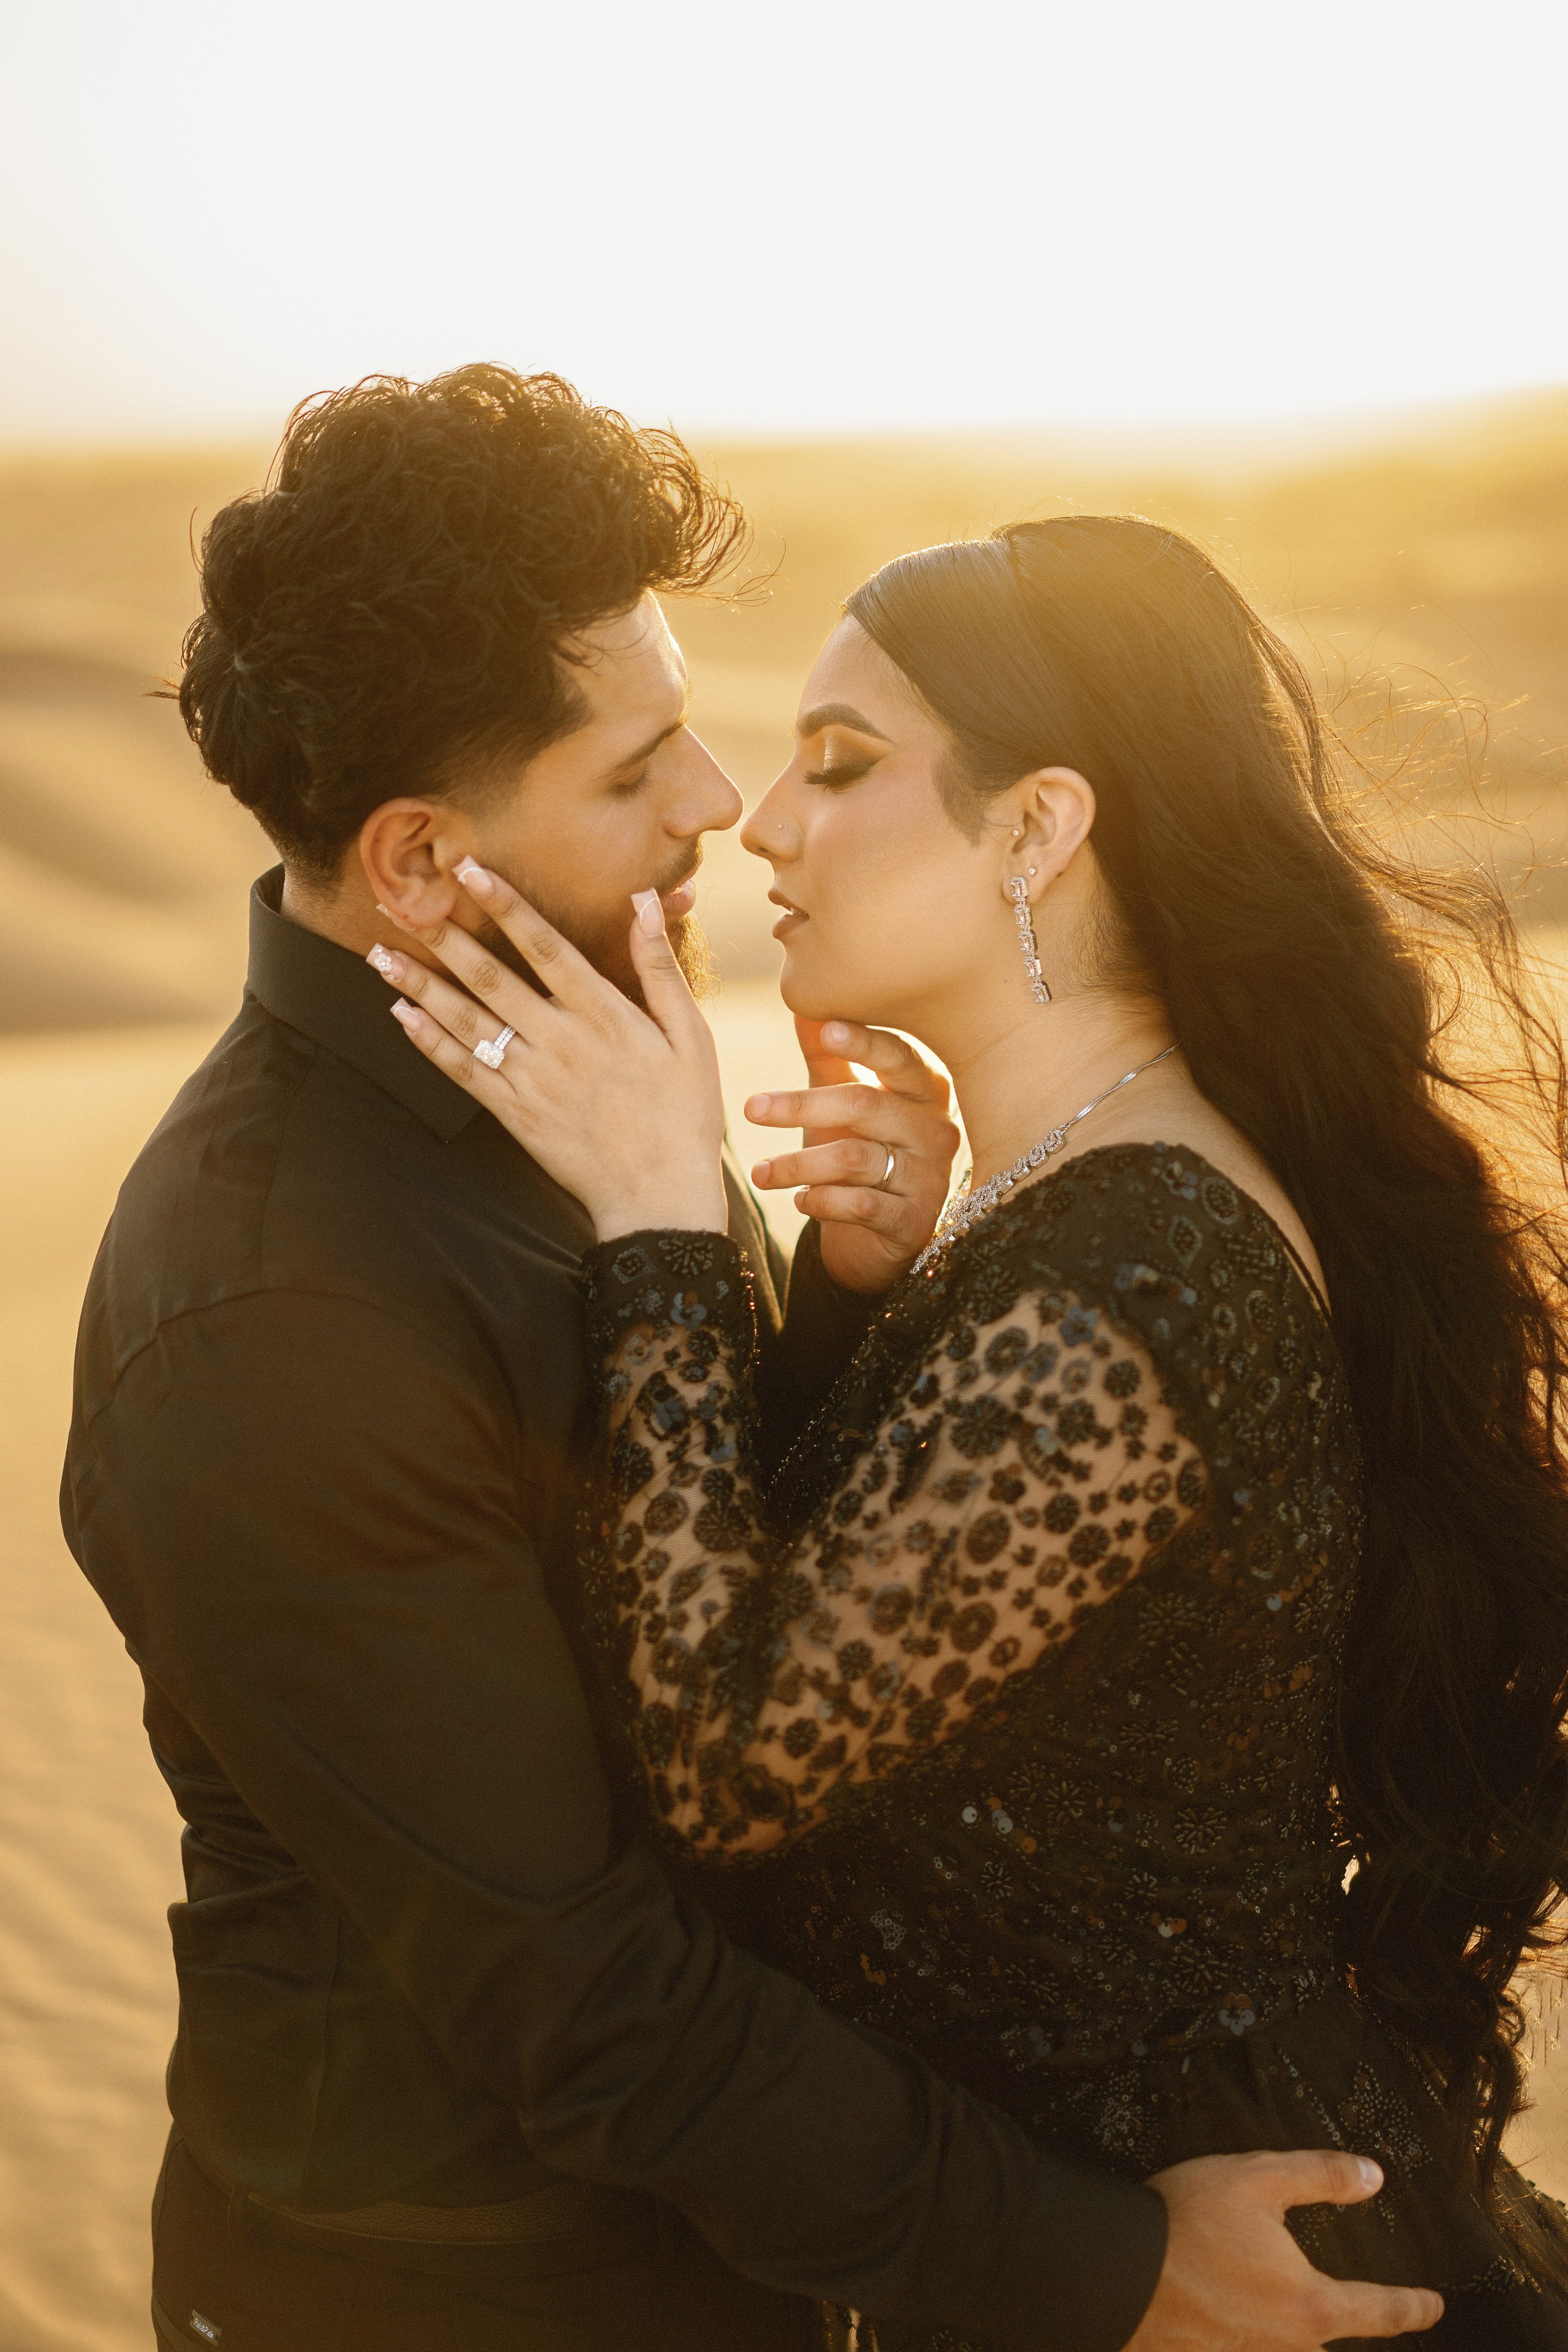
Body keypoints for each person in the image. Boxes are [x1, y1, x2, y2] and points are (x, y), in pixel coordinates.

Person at [57, 372, 1428, 2352]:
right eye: (636, 774)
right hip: (459, 2295)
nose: (716, 805)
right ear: (430, 863)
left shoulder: (590, 1073)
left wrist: (850, 1292)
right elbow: (587, 1991)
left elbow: (718, 1572)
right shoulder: (273, 1321)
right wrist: (1105, 2268)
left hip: (755, 2256)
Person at [381, 511, 1568, 2346]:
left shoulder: (1141, 1260)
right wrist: (864, 1277)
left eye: (840, 765)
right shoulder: (1081, 1205)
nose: (762, 822)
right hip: (1116, 2223)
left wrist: (661, 1235)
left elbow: (730, 1761)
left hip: (1215, 2259)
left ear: (1038, 829)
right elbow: (852, 1626)